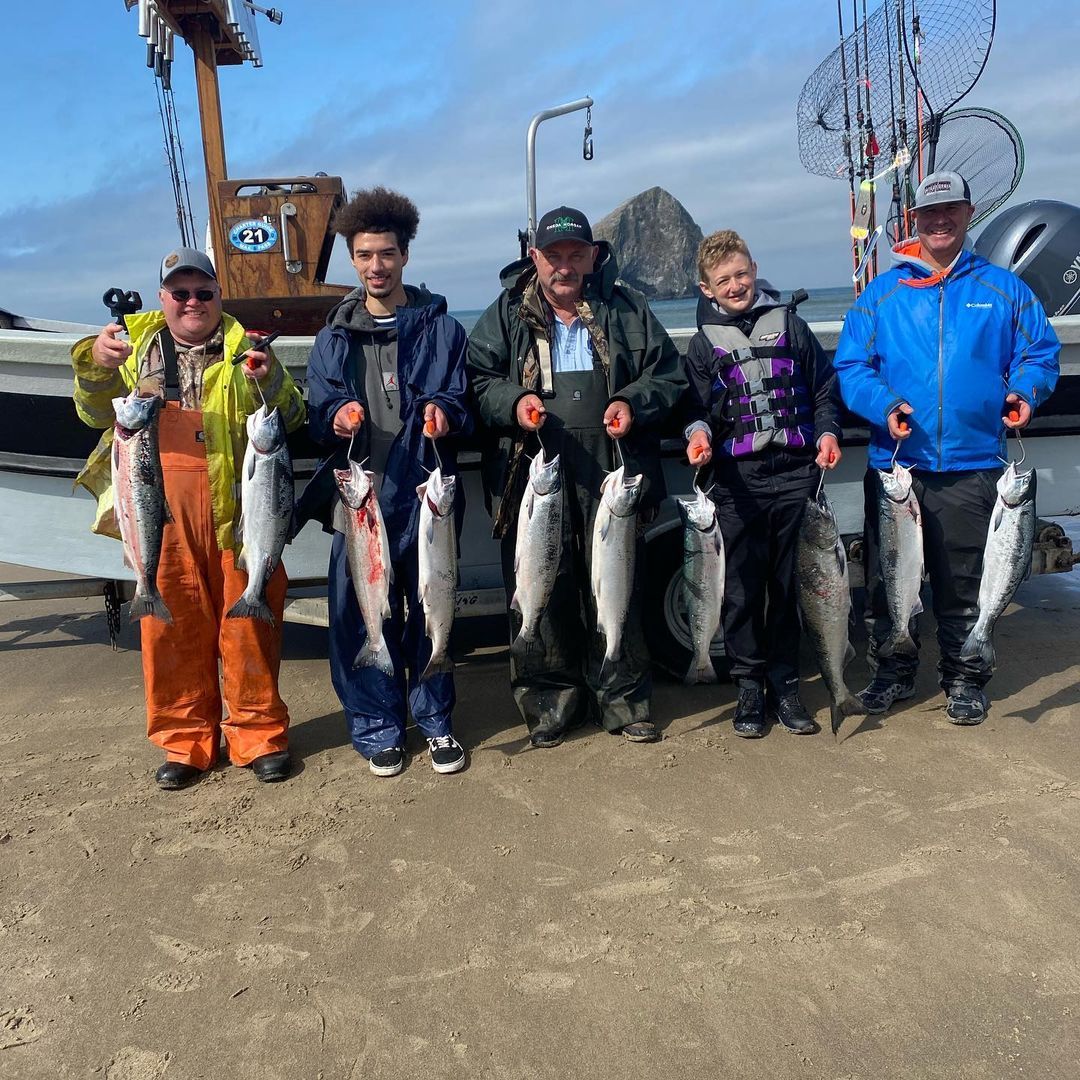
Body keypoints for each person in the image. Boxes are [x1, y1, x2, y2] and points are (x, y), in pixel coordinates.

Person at [72, 247, 305, 789]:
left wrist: (269, 381)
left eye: (203, 292)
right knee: (169, 632)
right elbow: (89, 411)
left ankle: (259, 736)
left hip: (236, 514)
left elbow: (292, 414)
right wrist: (96, 362)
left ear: (219, 296)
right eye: (181, 293)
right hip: (160, 515)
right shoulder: (134, 350)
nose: (193, 302)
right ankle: (185, 741)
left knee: (250, 630)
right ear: (163, 298)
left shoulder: (246, 348)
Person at [834, 171, 1060, 725]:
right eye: (929, 213)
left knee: (964, 584)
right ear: (915, 219)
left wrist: (1025, 392)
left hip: (974, 465)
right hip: (898, 468)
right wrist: (884, 404)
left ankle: (965, 678)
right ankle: (892, 674)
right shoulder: (881, 295)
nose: (940, 221)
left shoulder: (1004, 289)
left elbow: (1040, 353)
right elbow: (850, 366)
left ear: (968, 213)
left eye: (950, 211)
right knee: (891, 584)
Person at [467, 206, 687, 748]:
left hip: (613, 468)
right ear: (534, 257)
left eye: (575, 255)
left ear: (592, 257)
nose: (564, 267)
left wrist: (633, 404)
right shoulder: (505, 315)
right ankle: (549, 703)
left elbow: (670, 375)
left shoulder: (627, 308)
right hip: (533, 468)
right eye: (553, 256)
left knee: (618, 585)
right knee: (545, 585)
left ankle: (624, 700)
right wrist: (515, 401)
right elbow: (476, 379)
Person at [300, 187, 471, 778]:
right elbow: (317, 405)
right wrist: (336, 413)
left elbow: (462, 398)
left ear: (405, 256)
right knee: (362, 612)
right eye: (366, 255)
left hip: (427, 491)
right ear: (353, 258)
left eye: (388, 254)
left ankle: (435, 721)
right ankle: (378, 724)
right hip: (362, 497)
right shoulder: (333, 337)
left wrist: (446, 411)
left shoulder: (443, 329)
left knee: (432, 605)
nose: (377, 266)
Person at [682, 229, 844, 737]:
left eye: (742, 273)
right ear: (707, 288)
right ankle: (749, 689)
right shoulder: (703, 347)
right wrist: (699, 435)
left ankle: (787, 687)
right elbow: (693, 410)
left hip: (797, 477)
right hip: (737, 485)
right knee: (742, 592)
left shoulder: (791, 327)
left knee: (792, 588)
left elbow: (823, 389)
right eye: (724, 279)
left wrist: (828, 434)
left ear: (755, 269)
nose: (736, 285)